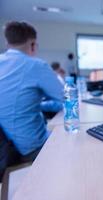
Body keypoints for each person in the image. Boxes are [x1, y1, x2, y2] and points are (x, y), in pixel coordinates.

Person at [0, 21, 63, 161]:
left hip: (6, 149)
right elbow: (67, 98)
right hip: (30, 149)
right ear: (33, 45)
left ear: (7, 43)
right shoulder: (35, 65)